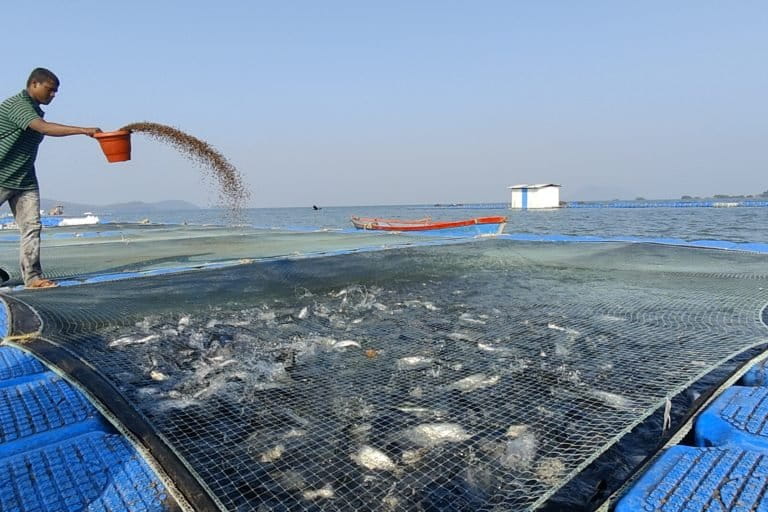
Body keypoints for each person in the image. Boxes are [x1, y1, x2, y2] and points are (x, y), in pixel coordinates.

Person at [0, 67, 101, 288]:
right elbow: (44, 128)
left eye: (56, 91)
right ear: (34, 84)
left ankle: (33, 278)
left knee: (32, 227)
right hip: (1, 175)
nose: (53, 95)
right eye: (50, 89)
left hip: (24, 179)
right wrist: (84, 130)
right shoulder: (18, 105)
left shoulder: (35, 109)